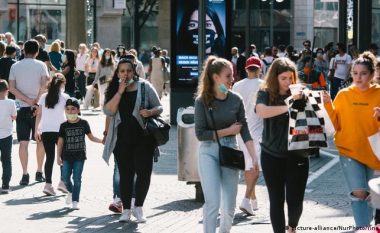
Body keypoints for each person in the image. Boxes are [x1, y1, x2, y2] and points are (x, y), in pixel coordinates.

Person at [194, 56, 258, 233]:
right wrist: (228, 131)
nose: (232, 80)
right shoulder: (202, 101)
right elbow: (200, 134)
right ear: (215, 77)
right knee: (213, 202)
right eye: (228, 76)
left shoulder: (236, 100)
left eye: (233, 75)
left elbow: (244, 129)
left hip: (230, 150)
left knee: (229, 205)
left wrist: (253, 157)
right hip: (208, 151)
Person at [322, 52, 380, 228]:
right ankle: (363, 228)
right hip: (349, 151)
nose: (358, 77)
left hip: (374, 152)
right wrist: (327, 104)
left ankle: (367, 225)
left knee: (372, 195)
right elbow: (335, 124)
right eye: (355, 73)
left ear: (371, 74)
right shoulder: (343, 94)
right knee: (359, 193)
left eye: (363, 73)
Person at [103, 58, 162, 223]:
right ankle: (126, 210)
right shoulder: (114, 88)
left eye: (129, 71)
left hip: (144, 139)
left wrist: (150, 112)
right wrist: (120, 92)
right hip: (122, 140)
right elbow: (108, 111)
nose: (125, 74)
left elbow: (159, 107)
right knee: (125, 175)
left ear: (134, 71)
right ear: (117, 73)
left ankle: (139, 207)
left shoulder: (144, 86)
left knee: (144, 174)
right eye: (122, 71)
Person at [255, 57, 310, 233]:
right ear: (275, 77)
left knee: (295, 202)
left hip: (298, 155)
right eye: (283, 78)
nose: (288, 82)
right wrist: (289, 105)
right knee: (276, 200)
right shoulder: (265, 92)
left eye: (291, 78)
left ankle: (292, 226)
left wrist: (317, 101)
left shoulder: (302, 92)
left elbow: (318, 116)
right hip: (271, 154)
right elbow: (261, 111)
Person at [9, 39, 49, 185]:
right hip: (38, 107)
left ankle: (25, 174)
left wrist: (26, 100)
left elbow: (11, 88)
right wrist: (36, 101)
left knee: (23, 143)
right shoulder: (41, 66)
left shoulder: (15, 66)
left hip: (21, 107)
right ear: (37, 51)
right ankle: (39, 171)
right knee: (40, 140)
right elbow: (45, 86)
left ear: (24, 50)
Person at [57, 98, 103, 210]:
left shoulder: (83, 123)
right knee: (65, 178)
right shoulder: (63, 126)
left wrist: (102, 141)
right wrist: (58, 156)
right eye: (67, 109)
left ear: (78, 110)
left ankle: (75, 201)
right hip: (66, 157)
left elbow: (91, 137)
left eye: (73, 109)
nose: (70, 111)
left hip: (79, 157)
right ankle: (71, 192)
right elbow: (60, 141)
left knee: (77, 179)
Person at [232, 56, 263, 216]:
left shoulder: (236, 85)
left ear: (246, 69)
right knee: (255, 168)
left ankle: (253, 200)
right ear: (259, 69)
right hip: (256, 131)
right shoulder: (263, 85)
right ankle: (246, 200)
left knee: (247, 167)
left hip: (240, 131)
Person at [35, 73, 70, 196]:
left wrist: (36, 130)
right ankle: (63, 181)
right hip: (61, 130)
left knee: (49, 158)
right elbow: (69, 114)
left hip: (46, 130)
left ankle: (48, 184)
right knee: (63, 157)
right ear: (62, 84)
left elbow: (38, 114)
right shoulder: (65, 97)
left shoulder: (44, 97)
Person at [0, 80, 17, 193]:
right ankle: (5, 185)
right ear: (7, 91)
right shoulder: (11, 102)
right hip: (6, 134)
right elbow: (14, 116)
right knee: (6, 160)